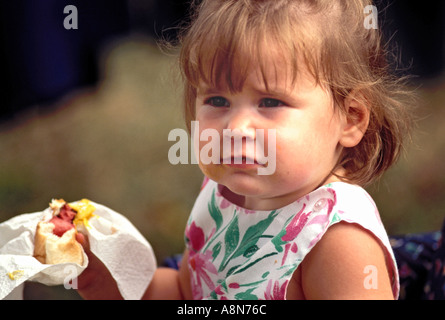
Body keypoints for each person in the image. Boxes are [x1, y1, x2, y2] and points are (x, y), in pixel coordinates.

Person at [76, 0, 415, 300]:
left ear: (350, 119)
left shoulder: (338, 240)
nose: (236, 129)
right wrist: (117, 283)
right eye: (217, 100)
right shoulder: (221, 192)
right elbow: (185, 291)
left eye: (270, 102)